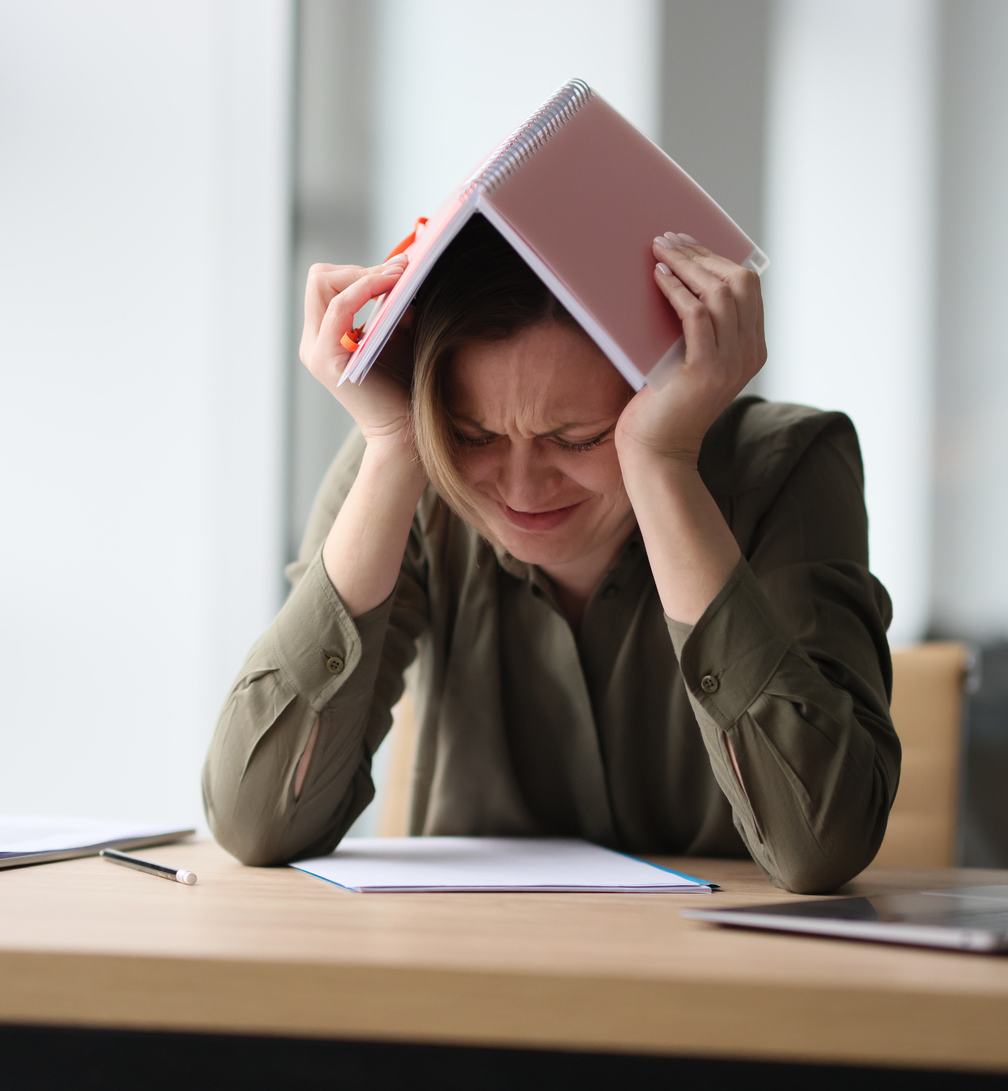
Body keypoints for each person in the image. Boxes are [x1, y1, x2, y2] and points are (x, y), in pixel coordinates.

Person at [202, 216, 899, 893]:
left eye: (575, 439)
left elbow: (818, 847)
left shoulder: (785, 466)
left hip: (720, 981)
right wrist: (393, 449)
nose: (522, 488)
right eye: (474, 434)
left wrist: (660, 462)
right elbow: (256, 822)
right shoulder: (405, 458)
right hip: (469, 973)